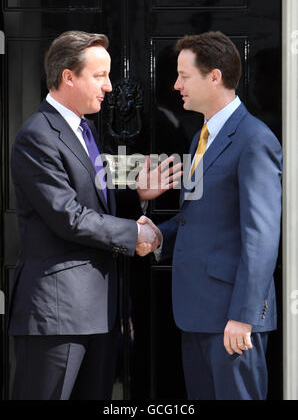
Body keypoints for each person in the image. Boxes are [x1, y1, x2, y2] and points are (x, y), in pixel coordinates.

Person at [9, 30, 180, 400]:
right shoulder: (36, 136)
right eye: (99, 75)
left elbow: (93, 200)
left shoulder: (84, 129)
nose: (109, 86)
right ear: (68, 77)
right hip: (58, 317)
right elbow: (68, 216)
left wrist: (136, 194)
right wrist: (135, 234)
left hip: (98, 313)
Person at [137, 31, 282, 400]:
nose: (176, 84)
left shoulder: (255, 140)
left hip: (232, 320)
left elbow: (261, 234)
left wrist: (244, 316)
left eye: (184, 76)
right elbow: (198, 217)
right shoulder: (201, 137)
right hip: (198, 314)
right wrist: (158, 235)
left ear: (214, 76)